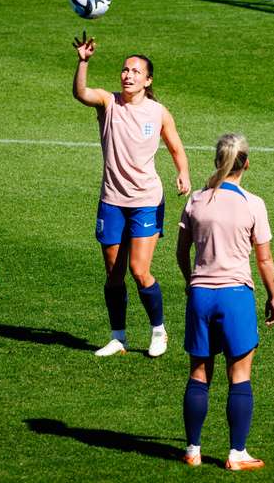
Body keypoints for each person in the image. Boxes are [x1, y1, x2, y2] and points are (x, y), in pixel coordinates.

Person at [72, 32, 191, 357]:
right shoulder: (108, 103)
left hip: (145, 202)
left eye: (136, 71)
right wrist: (83, 62)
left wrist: (183, 172)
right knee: (114, 274)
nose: (128, 75)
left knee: (139, 270)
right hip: (112, 200)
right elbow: (80, 92)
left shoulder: (158, 112)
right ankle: (118, 337)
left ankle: (158, 331)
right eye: (125, 70)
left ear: (147, 79)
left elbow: (176, 146)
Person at [175, 133, 274, 471]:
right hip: (236, 297)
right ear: (245, 163)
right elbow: (263, 260)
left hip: (201, 296)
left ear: (217, 161)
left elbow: (180, 251)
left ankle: (192, 449)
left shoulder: (195, 202)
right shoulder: (253, 204)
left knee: (199, 374)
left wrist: (192, 282)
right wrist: (273, 295)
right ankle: (236, 454)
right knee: (240, 375)